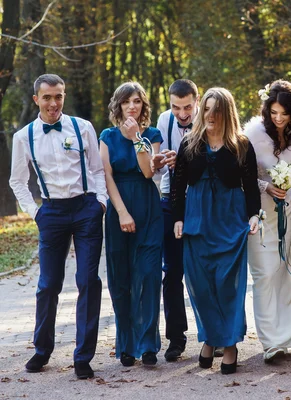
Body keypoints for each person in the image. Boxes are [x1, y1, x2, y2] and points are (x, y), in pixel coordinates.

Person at [9, 74, 106, 379]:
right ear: (36, 99)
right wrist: (35, 213)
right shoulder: (23, 137)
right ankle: (42, 349)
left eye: (59, 96)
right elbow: (17, 180)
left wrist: (100, 203)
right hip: (50, 211)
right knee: (48, 284)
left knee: (88, 281)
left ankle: (83, 356)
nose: (53, 103)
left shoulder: (83, 127)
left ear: (64, 96)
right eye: (47, 97)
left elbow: (97, 169)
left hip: (85, 208)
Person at [171, 87, 261, 375]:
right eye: (207, 109)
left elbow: (250, 185)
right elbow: (178, 186)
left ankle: (230, 344)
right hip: (197, 219)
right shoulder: (190, 143)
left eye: (216, 110)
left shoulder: (242, 145)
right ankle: (210, 338)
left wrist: (254, 215)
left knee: (228, 286)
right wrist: (178, 218)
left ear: (226, 113)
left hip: (229, 219)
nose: (210, 115)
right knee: (200, 285)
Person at [244, 80, 291, 363]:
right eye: (273, 112)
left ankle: (286, 338)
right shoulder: (252, 133)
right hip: (259, 213)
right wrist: (267, 187)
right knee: (264, 274)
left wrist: (288, 193)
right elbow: (243, 176)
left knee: (286, 270)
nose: (279, 118)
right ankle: (270, 342)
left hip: (286, 211)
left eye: (284, 113)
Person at [99, 82, 163, 367]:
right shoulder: (107, 136)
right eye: (127, 102)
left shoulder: (152, 134)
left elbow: (148, 172)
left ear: (143, 105)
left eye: (137, 101)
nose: (132, 106)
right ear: (119, 105)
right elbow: (107, 177)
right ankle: (126, 343)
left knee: (149, 275)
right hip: (118, 209)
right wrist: (122, 213)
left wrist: (137, 138)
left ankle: (148, 344)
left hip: (149, 208)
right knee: (121, 278)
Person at [153, 79, 199, 362]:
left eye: (187, 107)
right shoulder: (163, 121)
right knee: (171, 272)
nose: (181, 114)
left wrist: (183, 162)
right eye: (175, 107)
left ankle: (214, 335)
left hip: (201, 201)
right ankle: (176, 338)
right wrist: (161, 162)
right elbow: (157, 174)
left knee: (204, 270)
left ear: (197, 101)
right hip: (170, 201)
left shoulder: (209, 118)